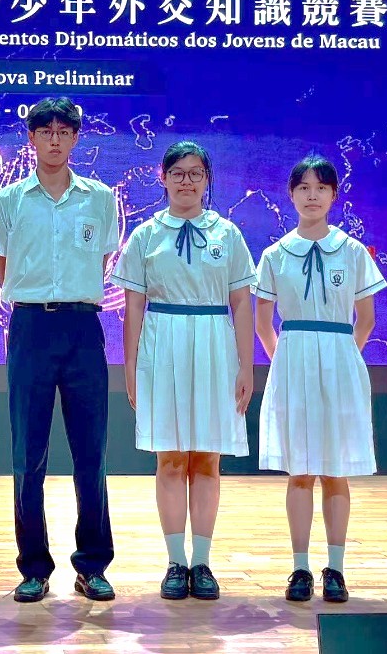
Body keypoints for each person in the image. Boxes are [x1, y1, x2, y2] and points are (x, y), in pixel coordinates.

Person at [0, 97, 119, 602]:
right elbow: (3, 265)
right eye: (46, 132)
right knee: (28, 455)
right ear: (32, 138)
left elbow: (101, 260)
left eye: (65, 131)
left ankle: (92, 565)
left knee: (92, 453)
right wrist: (39, 298)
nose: (55, 140)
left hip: (83, 327)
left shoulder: (99, 198)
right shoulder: (9, 200)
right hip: (31, 327)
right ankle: (34, 568)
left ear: (76, 138)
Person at [111, 141, 255, 600]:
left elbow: (241, 304)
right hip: (163, 345)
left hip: (213, 345)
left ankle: (202, 562)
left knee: (207, 457)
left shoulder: (227, 234)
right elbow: (133, 308)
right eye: (178, 172)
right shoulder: (145, 235)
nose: (187, 181)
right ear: (163, 177)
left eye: (196, 173)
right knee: (171, 457)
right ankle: (175, 561)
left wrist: (246, 366)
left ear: (207, 179)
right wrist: (131, 366)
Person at [253, 156, 386, 603]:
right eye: (304, 188)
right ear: (291, 195)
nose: (312, 195)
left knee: (334, 471)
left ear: (333, 195)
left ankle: (336, 569)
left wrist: (344, 359)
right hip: (293, 364)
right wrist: (286, 362)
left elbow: (366, 319)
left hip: (339, 363)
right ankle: (299, 568)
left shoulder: (352, 251)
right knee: (300, 472)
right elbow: (263, 322)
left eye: (321, 188)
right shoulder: (275, 254)